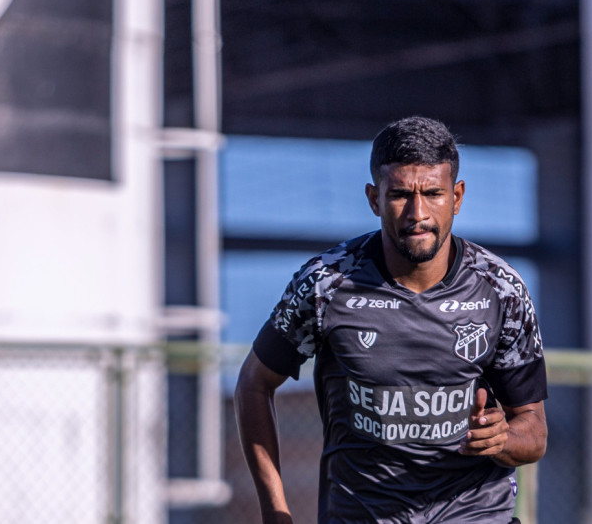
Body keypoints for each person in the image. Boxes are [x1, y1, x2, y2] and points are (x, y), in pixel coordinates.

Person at [235, 116, 548, 524]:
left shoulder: (501, 290)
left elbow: (534, 434)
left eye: (433, 193)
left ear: (456, 196)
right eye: (400, 194)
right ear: (373, 198)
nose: (417, 213)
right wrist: (274, 511)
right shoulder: (326, 285)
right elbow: (254, 384)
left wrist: (502, 437)